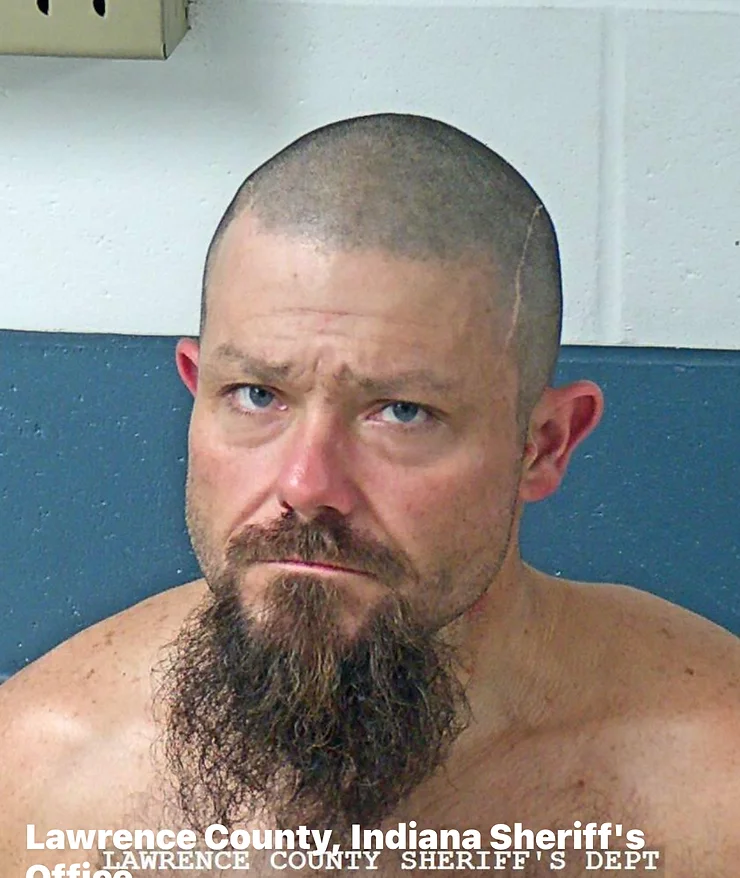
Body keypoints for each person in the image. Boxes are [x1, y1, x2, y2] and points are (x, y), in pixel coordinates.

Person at [1, 113, 738, 878]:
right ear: (197, 390)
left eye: (403, 412)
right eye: (257, 394)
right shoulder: (39, 778)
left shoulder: (714, 791)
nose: (305, 487)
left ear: (544, 445)